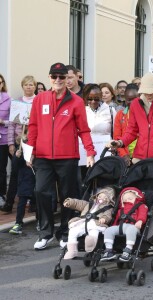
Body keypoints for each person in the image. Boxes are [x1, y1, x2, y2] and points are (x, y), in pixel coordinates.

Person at [27, 62, 96, 250]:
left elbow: (84, 129)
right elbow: (33, 126)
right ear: (49, 78)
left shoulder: (75, 101)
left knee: (67, 196)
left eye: (62, 77)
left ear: (68, 79)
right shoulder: (40, 99)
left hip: (67, 157)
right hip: (42, 156)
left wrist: (90, 152)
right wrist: (30, 151)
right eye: (54, 76)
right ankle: (46, 233)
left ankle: (65, 232)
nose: (58, 80)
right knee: (41, 191)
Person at [106, 72, 153, 163]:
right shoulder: (136, 103)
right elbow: (131, 131)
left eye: (150, 92)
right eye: (145, 92)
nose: (147, 95)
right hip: (139, 158)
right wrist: (120, 142)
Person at [1, 75, 37, 213]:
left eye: (31, 85)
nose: (29, 87)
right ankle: (9, 202)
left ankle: (33, 201)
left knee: (32, 173)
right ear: (22, 86)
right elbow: (11, 125)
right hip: (18, 143)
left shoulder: (38, 101)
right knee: (15, 172)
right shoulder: (17, 103)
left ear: (34, 86)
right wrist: (10, 143)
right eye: (26, 85)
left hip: (32, 142)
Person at [63, 187, 115, 259]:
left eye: (105, 198)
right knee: (73, 231)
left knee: (94, 232)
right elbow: (78, 203)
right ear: (97, 196)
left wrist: (104, 219)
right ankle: (72, 251)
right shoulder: (89, 204)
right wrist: (70, 202)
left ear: (109, 200)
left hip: (96, 223)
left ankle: (90, 246)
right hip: (83, 222)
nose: (101, 198)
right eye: (100, 196)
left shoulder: (108, 208)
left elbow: (108, 215)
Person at [100, 187, 148, 262]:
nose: (127, 200)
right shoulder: (120, 209)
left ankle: (128, 250)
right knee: (108, 230)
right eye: (125, 200)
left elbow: (142, 214)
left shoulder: (141, 206)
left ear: (137, 198)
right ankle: (108, 250)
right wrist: (114, 225)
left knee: (130, 230)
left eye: (130, 198)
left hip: (133, 226)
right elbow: (116, 219)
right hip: (120, 226)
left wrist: (140, 221)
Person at [8, 131, 36, 234]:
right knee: (21, 203)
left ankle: (40, 221)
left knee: (38, 201)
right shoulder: (19, 153)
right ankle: (18, 222)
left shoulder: (36, 150)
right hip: (24, 179)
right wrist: (16, 157)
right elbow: (15, 168)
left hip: (35, 178)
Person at [113, 83, 139, 166]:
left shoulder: (146, 114)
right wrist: (124, 155)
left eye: (134, 99)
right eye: (128, 99)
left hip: (141, 156)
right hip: (125, 157)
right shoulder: (120, 114)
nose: (131, 102)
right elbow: (117, 137)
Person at [0, 74, 11, 207]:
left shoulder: (9, 99)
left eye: (0, 82)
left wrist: (2, 121)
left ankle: (1, 194)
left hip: (3, 138)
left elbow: (14, 121)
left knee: (1, 169)